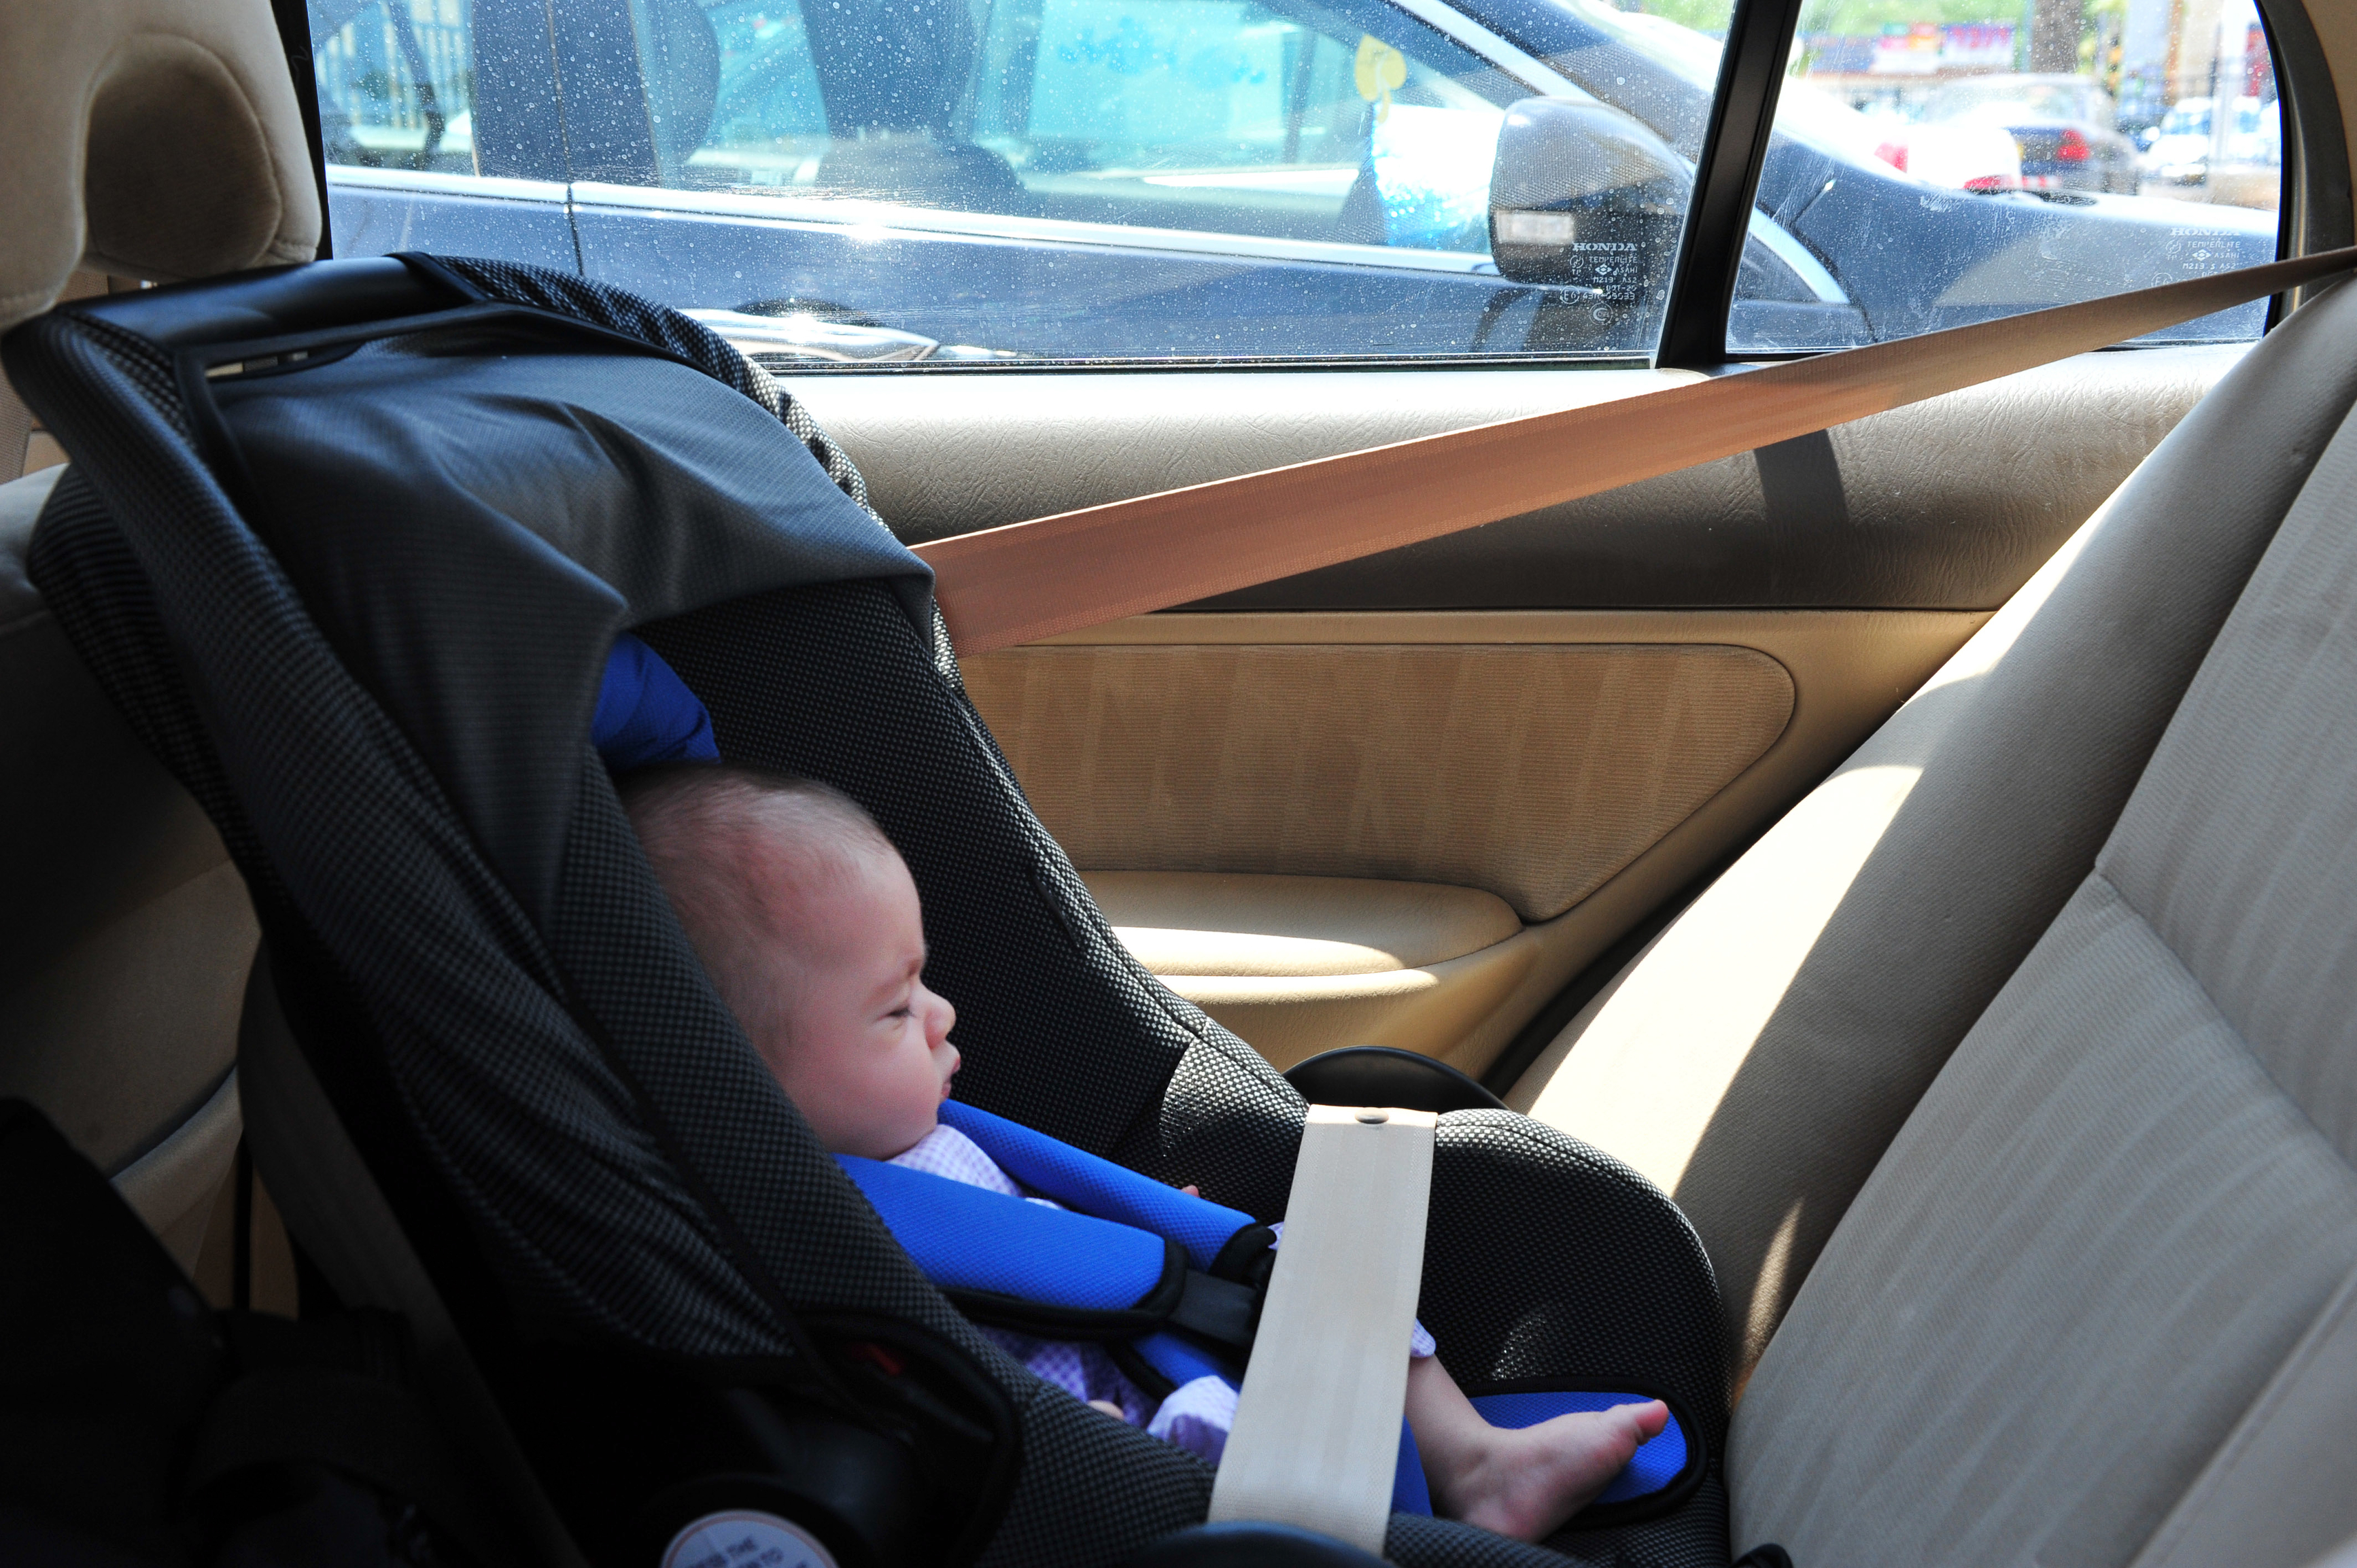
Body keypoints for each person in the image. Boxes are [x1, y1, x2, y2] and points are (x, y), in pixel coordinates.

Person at [621, 761, 1668, 1544]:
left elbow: (1027, 1238)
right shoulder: (802, 1230)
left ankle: (1473, 1461)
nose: (944, 1016)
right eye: (894, 1009)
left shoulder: (927, 1138)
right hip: (1108, 1434)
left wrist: (1140, 1255)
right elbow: (939, 1368)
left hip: (1142, 1338)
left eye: (923, 978)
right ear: (738, 1084)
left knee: (1323, 1263)